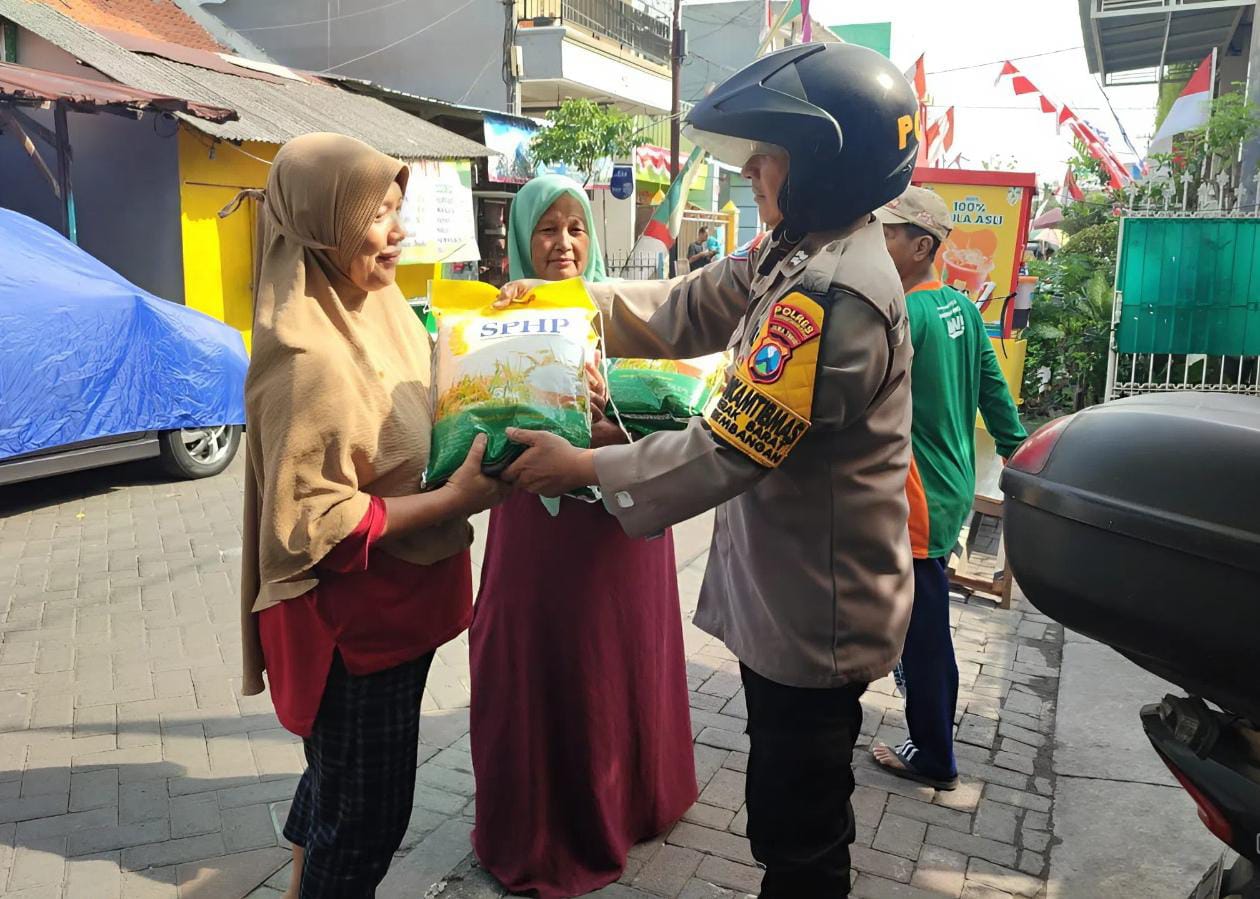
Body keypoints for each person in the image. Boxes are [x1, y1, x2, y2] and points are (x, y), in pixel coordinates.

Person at [496, 44, 921, 897]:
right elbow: (684, 304)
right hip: (795, 598)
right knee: (785, 813)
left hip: (815, 619)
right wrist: (563, 302)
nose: (755, 171)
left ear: (828, 164)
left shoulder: (831, 301)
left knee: (798, 834)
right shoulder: (794, 254)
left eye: (771, 154)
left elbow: (727, 447)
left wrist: (584, 463)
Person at [234, 133, 508, 899]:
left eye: (399, 210)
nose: (400, 232)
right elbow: (314, 521)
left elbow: (435, 391)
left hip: (397, 616)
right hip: (354, 635)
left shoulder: (376, 306)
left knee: (336, 788)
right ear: (323, 223)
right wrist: (456, 501)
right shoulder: (309, 359)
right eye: (378, 216)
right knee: (365, 824)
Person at [469, 174, 697, 898]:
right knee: (531, 662)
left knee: (614, 661)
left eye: (576, 228)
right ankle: (536, 823)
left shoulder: (624, 314)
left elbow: (670, 418)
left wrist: (607, 401)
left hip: (615, 528)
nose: (563, 244)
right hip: (535, 527)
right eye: (547, 228)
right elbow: (470, 423)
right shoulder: (490, 315)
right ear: (519, 239)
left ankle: (632, 801)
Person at [871, 186, 1028, 791]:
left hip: (913, 496)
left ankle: (933, 753)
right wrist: (1020, 456)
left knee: (924, 631)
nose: (877, 244)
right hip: (951, 488)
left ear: (921, 246)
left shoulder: (904, 315)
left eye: (887, 235)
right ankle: (924, 714)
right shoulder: (964, 310)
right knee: (921, 620)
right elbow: (995, 394)